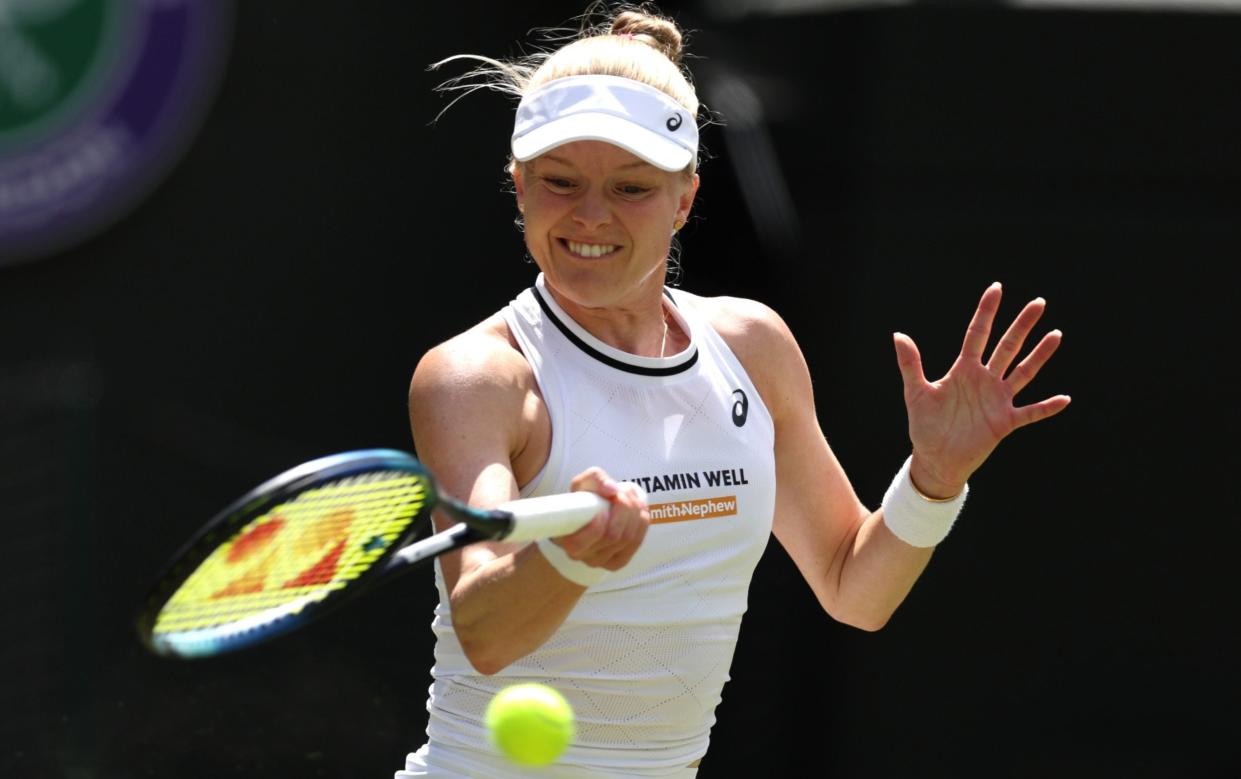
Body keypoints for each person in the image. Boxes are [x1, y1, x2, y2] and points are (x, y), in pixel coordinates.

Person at [397, 5, 1070, 777]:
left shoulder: (752, 347)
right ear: (518, 187)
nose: (590, 214)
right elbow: (483, 626)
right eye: (559, 182)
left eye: (631, 187)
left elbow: (855, 587)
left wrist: (933, 479)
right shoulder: (478, 377)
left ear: (683, 199)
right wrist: (574, 561)